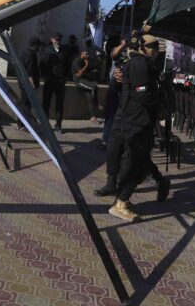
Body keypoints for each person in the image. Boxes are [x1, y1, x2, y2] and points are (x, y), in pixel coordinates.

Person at [99, 34, 169, 214]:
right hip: (130, 117)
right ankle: (118, 195)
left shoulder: (144, 64)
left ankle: (124, 197)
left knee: (137, 158)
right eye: (152, 46)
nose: (155, 50)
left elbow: (142, 91)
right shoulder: (137, 63)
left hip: (136, 118)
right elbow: (141, 92)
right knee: (128, 155)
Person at [41, 32, 68, 134]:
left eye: (59, 40)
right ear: (52, 39)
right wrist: (45, 76)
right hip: (50, 80)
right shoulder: (47, 50)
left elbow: (67, 64)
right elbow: (42, 64)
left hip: (60, 81)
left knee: (59, 104)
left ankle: (58, 124)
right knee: (46, 103)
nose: (58, 42)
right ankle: (44, 124)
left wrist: (65, 77)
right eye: (56, 40)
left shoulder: (64, 51)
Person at [17, 37, 42, 130]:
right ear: (35, 45)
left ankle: (21, 124)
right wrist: (32, 84)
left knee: (25, 104)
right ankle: (22, 124)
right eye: (38, 45)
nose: (39, 47)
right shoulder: (30, 54)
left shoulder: (25, 52)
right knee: (26, 104)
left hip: (23, 83)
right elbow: (29, 72)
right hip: (27, 85)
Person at [72, 49, 100, 123]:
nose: (88, 55)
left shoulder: (87, 60)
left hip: (85, 81)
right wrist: (86, 65)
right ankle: (97, 104)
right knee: (94, 87)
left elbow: (93, 68)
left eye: (88, 54)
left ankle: (93, 117)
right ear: (82, 54)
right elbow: (79, 74)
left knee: (90, 97)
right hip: (79, 81)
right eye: (86, 54)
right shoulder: (77, 61)